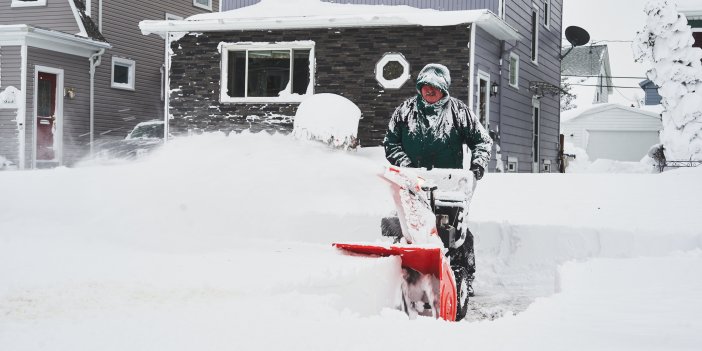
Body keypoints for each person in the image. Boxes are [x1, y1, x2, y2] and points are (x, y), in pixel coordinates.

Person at [383, 63, 493, 320]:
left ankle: (463, 275)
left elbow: (482, 141)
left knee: (453, 233)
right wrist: (408, 166)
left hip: (449, 185)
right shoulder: (405, 111)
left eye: (435, 87)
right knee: (400, 226)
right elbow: (391, 142)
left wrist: (476, 165)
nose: (429, 91)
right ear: (420, 86)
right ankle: (398, 274)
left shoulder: (458, 112)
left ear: (444, 89)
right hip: (412, 183)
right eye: (425, 86)